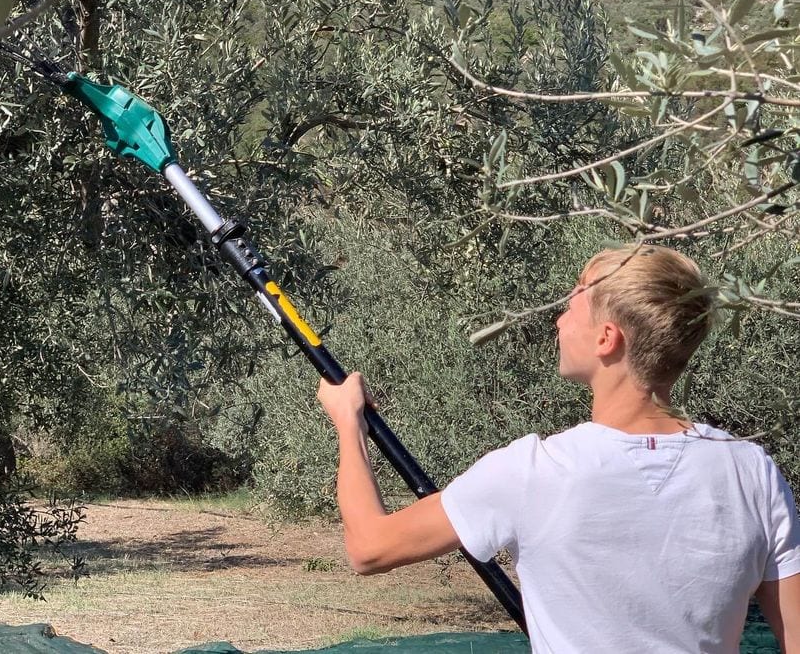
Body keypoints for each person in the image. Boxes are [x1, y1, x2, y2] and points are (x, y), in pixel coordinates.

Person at [317, 245, 800, 653]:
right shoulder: (752, 472)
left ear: (607, 339)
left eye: (574, 302)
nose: (560, 318)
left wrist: (347, 421)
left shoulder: (534, 471)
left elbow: (369, 548)